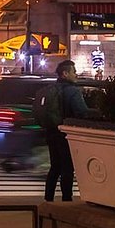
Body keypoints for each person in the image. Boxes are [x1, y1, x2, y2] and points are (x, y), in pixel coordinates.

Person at [43, 60, 93, 202]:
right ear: (65, 73)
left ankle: (48, 199)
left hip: (51, 132)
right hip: (66, 134)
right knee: (67, 168)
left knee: (55, 167)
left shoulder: (52, 88)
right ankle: (66, 199)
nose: (76, 74)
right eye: (73, 71)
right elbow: (82, 112)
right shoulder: (72, 91)